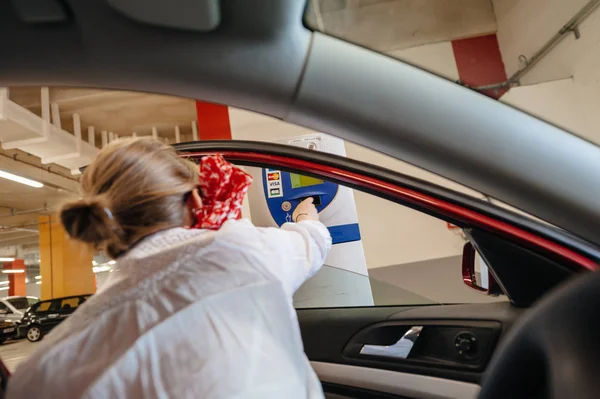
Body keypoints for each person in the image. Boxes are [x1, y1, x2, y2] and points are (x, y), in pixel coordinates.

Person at [7, 138, 332, 399]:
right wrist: (305, 214)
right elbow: (312, 242)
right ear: (194, 202)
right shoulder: (244, 252)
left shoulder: (45, 368)